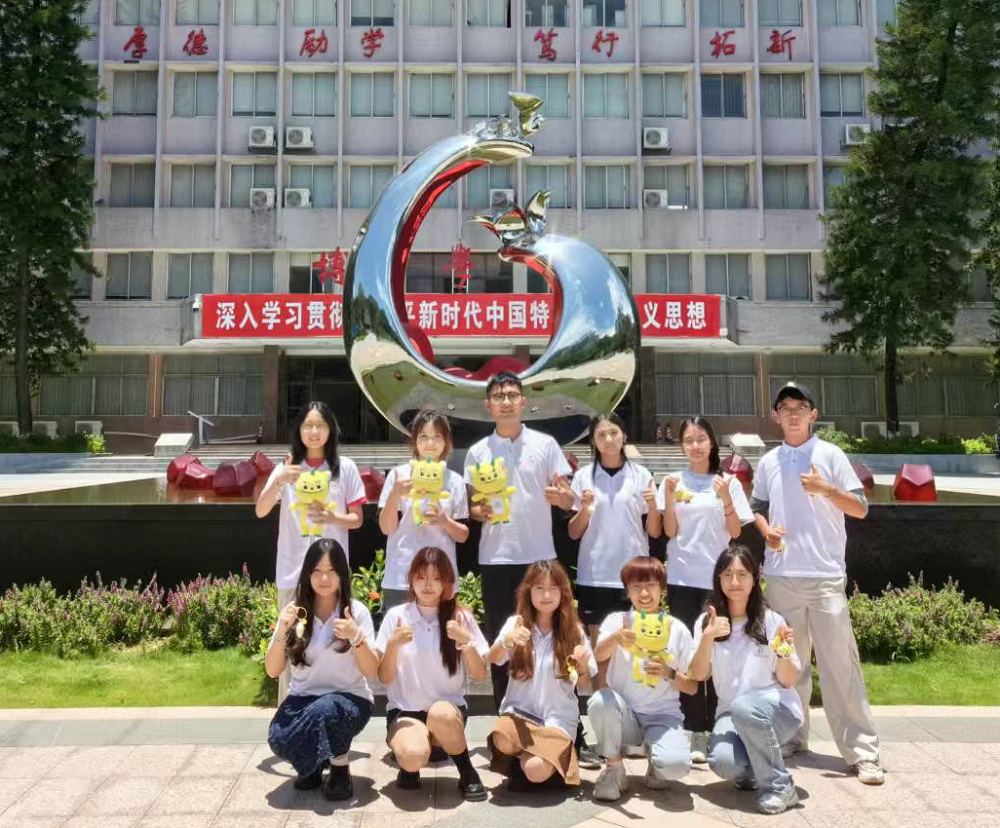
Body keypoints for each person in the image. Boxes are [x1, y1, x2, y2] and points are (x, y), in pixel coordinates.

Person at [751, 381, 883, 784]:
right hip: (781, 576)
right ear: (775, 416)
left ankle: (862, 752)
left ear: (813, 414)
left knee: (840, 667)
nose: (792, 414)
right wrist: (766, 532)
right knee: (788, 665)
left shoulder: (831, 455)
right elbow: (758, 507)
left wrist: (827, 489)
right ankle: (793, 738)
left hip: (825, 577)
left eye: (800, 407)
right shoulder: (769, 461)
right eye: (785, 407)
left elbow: (860, 508)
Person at [657, 416, 754, 763]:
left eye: (701, 439)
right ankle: (692, 729)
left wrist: (725, 497)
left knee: (716, 652)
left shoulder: (728, 482)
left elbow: (736, 532)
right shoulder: (672, 481)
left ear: (712, 442)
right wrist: (670, 498)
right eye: (688, 440)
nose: (695, 446)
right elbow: (669, 531)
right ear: (681, 446)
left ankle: (716, 728)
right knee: (686, 653)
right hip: (681, 578)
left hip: (718, 581)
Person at [256, 402, 367, 702]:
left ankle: (332, 708)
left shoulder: (344, 468)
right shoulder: (287, 468)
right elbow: (261, 509)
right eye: (308, 425)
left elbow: (357, 519)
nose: (314, 432)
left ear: (331, 430)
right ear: (299, 430)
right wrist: (279, 481)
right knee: (290, 642)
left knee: (333, 645)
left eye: (320, 425)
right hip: (293, 572)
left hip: (332, 575)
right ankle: (288, 711)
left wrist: (333, 518)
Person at [688, 545, 803, 815]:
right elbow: (698, 674)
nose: (735, 582)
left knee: (744, 706)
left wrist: (783, 652)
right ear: (718, 579)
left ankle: (781, 787)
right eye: (727, 574)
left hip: (777, 711)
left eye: (742, 574)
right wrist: (708, 637)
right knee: (723, 762)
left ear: (754, 579)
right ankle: (754, 770)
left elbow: (788, 680)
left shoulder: (771, 620)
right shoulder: (707, 621)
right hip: (731, 713)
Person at [266, 538, 378, 801]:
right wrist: (282, 630)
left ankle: (339, 768)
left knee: (326, 708)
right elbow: (272, 670)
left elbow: (371, 670)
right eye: (317, 571)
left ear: (342, 575)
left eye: (331, 571)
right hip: (303, 699)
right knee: (278, 735)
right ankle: (312, 764)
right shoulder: (295, 612)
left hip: (349, 700)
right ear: (307, 574)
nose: (324, 578)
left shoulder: (356, 612)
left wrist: (356, 637)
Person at [375, 547, 489, 801]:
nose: (428, 585)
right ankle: (410, 764)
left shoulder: (460, 617)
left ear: (447, 582)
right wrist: (392, 645)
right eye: (421, 577)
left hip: (448, 715)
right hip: (406, 712)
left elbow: (481, 674)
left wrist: (466, 642)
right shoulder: (397, 616)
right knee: (412, 756)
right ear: (411, 580)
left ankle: (467, 771)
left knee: (441, 713)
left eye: (436, 578)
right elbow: (384, 677)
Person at [588, 557, 696, 801]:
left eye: (650, 585)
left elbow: (692, 687)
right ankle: (615, 769)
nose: (644, 593)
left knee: (675, 767)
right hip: (624, 714)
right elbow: (598, 655)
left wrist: (669, 673)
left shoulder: (677, 628)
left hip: (662, 716)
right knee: (599, 701)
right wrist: (616, 638)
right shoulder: (617, 621)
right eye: (636, 586)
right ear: (627, 591)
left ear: (663, 589)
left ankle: (657, 758)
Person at [487, 560, 597, 790]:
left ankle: (549, 764)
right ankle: (537, 762)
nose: (546, 595)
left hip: (557, 720)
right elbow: (493, 658)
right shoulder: (516, 623)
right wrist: (507, 640)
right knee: (501, 737)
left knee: (535, 770)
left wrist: (582, 666)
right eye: (539, 588)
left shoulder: (573, 631)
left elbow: (585, 684)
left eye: (553, 589)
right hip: (520, 713)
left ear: (562, 593)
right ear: (528, 591)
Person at [568, 413, 661, 651]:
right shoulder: (583, 477)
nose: (608, 439)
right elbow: (574, 533)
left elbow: (654, 531)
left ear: (624, 436)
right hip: (595, 575)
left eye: (613, 433)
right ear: (593, 440)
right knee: (600, 650)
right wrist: (585, 509)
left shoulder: (642, 475)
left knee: (635, 649)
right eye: (601, 434)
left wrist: (653, 506)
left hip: (633, 575)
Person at [377, 410, 469, 610]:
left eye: (437, 437)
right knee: (399, 629)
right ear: (414, 440)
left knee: (443, 630)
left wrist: (444, 521)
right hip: (401, 575)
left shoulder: (454, 480)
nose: (430, 443)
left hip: (441, 577)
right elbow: (386, 528)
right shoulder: (399, 475)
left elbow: (463, 535)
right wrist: (395, 494)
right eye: (424, 437)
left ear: (446, 441)